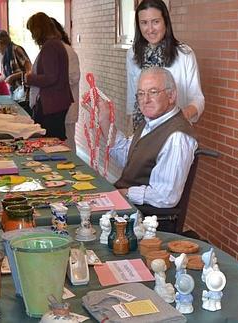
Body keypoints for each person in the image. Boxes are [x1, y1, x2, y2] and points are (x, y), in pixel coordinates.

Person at [102, 67, 197, 233]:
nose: (145, 100)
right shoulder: (151, 122)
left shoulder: (177, 137)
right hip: (130, 211)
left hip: (146, 223)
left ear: (171, 96)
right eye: (140, 93)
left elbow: (166, 196)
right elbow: (128, 155)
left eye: (153, 92)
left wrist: (124, 193)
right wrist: (104, 121)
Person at [127, 0, 204, 130]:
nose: (150, 29)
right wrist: (131, 130)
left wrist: (180, 118)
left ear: (165, 22)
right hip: (142, 130)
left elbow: (198, 99)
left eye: (155, 22)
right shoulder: (133, 54)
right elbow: (131, 97)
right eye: (144, 23)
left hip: (175, 131)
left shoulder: (184, 54)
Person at [25, 12, 73, 140]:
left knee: (49, 140)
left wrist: (30, 78)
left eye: (32, 31)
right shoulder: (57, 44)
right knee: (55, 138)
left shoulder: (50, 46)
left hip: (52, 103)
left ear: (38, 30)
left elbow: (50, 77)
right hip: (58, 101)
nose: (32, 36)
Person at [50, 17, 81, 150]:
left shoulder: (67, 50)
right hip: (55, 107)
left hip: (66, 106)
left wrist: (49, 81)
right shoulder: (51, 50)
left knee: (67, 143)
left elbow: (74, 76)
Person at [0, 30, 32, 112]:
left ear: (0, 42)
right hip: (15, 93)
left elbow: (30, 70)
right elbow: (5, 75)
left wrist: (13, 77)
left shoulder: (16, 49)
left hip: (25, 93)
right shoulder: (4, 55)